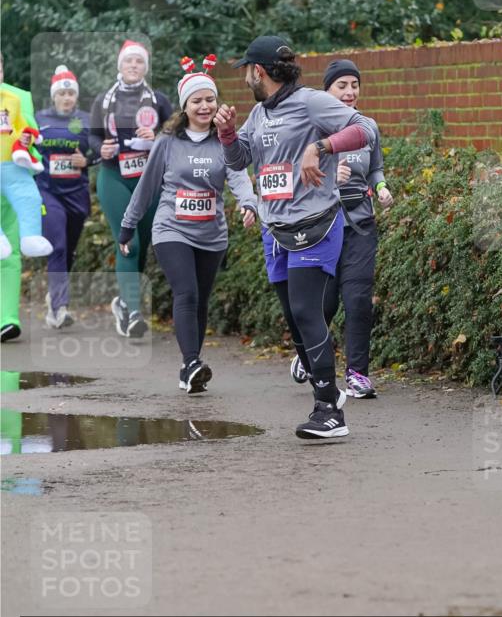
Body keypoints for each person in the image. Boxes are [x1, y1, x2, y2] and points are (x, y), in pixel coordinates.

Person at [214, 35, 377, 439]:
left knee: (307, 312)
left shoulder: (310, 102)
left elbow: (365, 131)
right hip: (276, 230)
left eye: (247, 70)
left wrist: (319, 147)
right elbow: (240, 160)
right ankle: (329, 391)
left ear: (260, 71)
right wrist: (229, 134)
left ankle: (329, 412)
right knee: (294, 317)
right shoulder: (258, 113)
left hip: (316, 223)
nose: (246, 77)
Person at [118, 55, 258, 393]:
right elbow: (147, 185)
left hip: (211, 233)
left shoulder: (225, 139)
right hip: (172, 228)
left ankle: (187, 368)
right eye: (197, 100)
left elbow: (238, 175)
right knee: (187, 291)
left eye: (210, 99)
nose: (205, 106)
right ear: (185, 106)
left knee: (202, 299)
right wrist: (128, 225)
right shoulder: (167, 142)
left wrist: (249, 203)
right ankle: (192, 361)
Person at [291, 58, 394, 398]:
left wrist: (380, 188)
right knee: (325, 302)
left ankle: (357, 374)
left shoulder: (367, 127)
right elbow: (296, 180)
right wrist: (331, 178)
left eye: (354, 85)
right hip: (323, 226)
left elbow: (376, 168)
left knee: (359, 299)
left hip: (361, 225)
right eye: (342, 85)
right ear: (327, 90)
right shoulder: (313, 130)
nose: (350, 92)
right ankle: (308, 354)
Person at [89, 39, 172, 338]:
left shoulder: (158, 99)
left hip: (149, 180)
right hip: (114, 178)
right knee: (129, 242)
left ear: (145, 68)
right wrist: (103, 149)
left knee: (141, 244)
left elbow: (176, 133)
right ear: (120, 66)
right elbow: (93, 138)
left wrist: (158, 135)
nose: (134, 66)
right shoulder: (104, 100)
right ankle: (135, 312)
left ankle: (124, 302)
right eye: (129, 61)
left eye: (139, 62)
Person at [35, 65, 95, 328]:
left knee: (68, 250)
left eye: (71, 93)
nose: (67, 97)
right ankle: (59, 308)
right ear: (54, 96)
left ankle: (54, 297)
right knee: (57, 246)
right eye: (62, 93)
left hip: (77, 194)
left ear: (76, 96)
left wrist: (87, 160)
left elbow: (100, 150)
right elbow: (24, 147)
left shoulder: (87, 120)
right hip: (47, 191)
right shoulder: (38, 119)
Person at [0, 53, 43, 342]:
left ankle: (7, 319)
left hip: (11, 181)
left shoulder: (19, 97)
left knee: (10, 251)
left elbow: (31, 133)